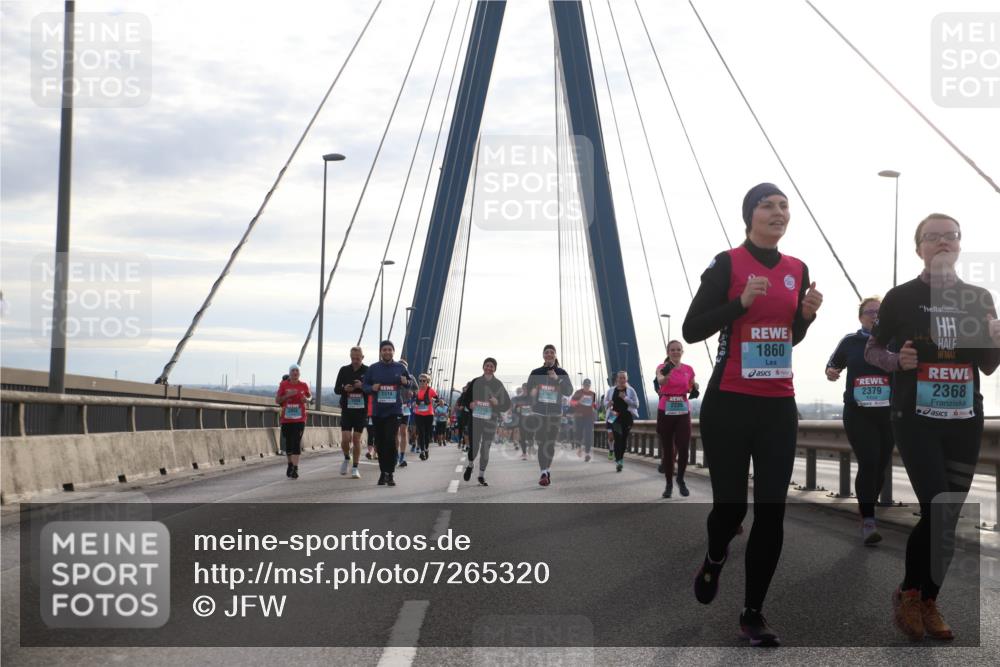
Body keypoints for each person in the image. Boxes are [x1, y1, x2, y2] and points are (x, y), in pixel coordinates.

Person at [683, 183, 823, 646]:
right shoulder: (727, 263)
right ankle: (715, 555)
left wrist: (805, 317)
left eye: (784, 206)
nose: (779, 212)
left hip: (778, 405)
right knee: (731, 508)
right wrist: (738, 304)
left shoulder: (797, 269)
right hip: (729, 402)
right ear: (750, 216)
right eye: (768, 205)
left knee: (771, 512)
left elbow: (788, 337)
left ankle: (753, 613)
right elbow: (692, 328)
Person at [864, 213, 1000, 642]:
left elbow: (988, 365)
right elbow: (872, 349)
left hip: (964, 420)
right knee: (938, 507)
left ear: (959, 244)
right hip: (915, 419)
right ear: (918, 246)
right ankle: (909, 593)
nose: (943, 242)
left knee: (950, 515)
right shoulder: (901, 297)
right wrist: (895, 361)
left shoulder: (979, 297)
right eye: (933, 236)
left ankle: (928, 599)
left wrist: (996, 339)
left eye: (951, 236)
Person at [825, 298, 894, 543]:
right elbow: (832, 365)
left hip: (887, 414)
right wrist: (831, 372)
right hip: (858, 413)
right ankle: (868, 521)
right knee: (869, 461)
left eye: (879, 311)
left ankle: (866, 507)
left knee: (880, 466)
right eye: (870, 311)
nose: (874, 315)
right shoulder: (850, 341)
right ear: (861, 316)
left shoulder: (893, 341)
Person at [361, 340, 410, 487]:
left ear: (393, 352)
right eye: (384, 350)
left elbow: (410, 383)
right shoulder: (373, 368)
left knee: (390, 440)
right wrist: (372, 388)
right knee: (380, 443)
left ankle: (390, 473)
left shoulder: (400, 367)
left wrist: (405, 382)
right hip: (378, 412)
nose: (387, 352)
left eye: (389, 349)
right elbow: (364, 386)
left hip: (394, 411)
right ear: (381, 352)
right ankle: (383, 472)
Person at [458, 358, 512, 486]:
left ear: (495, 369)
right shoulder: (476, 381)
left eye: (491, 366)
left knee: (485, 448)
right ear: (483, 367)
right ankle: (470, 464)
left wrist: (497, 403)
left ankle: (481, 475)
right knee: (474, 446)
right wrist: (470, 404)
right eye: (487, 365)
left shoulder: (498, 384)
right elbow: (465, 399)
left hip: (490, 420)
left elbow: (507, 404)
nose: (489, 368)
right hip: (475, 419)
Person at [526, 344, 573, 486]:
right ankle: (543, 472)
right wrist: (532, 392)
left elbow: (569, 391)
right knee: (542, 442)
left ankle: (547, 470)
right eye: (546, 352)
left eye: (552, 352)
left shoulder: (561, 372)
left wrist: (557, 378)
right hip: (539, 412)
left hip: (554, 413)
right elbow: (528, 391)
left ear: (555, 355)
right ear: (543, 355)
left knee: (550, 443)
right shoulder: (536, 372)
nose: (549, 354)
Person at [655, 341, 698, 498]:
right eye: (672, 350)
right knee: (668, 450)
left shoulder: (688, 369)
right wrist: (666, 376)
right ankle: (669, 484)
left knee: (683, 447)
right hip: (665, 409)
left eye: (678, 349)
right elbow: (661, 380)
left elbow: (691, 386)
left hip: (682, 410)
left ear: (682, 351)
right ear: (668, 352)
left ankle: (680, 479)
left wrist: (695, 387)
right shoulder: (662, 366)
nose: (675, 352)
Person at [333, 346, 368, 479]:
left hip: (361, 411)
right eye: (353, 358)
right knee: (345, 439)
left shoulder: (368, 370)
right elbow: (336, 389)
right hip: (347, 410)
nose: (355, 361)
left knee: (356, 439)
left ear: (362, 357)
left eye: (357, 358)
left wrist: (362, 386)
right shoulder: (344, 370)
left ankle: (355, 468)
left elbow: (372, 389)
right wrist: (344, 389)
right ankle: (347, 457)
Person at [275, 364, 312, 480]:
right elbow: (277, 400)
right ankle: (290, 464)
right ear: (290, 373)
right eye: (293, 371)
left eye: (297, 371)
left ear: (299, 373)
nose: (295, 372)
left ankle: (295, 468)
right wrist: (287, 395)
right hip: (287, 419)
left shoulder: (304, 385)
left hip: (300, 419)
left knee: (296, 441)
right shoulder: (283, 385)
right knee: (289, 443)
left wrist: (307, 400)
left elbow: (310, 397)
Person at [603, 371, 639, 472]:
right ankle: (619, 461)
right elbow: (605, 402)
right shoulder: (611, 390)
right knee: (617, 438)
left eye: (624, 378)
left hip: (627, 417)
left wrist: (625, 398)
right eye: (620, 378)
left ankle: (620, 458)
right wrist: (608, 403)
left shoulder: (631, 390)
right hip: (614, 417)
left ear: (626, 379)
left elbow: (636, 404)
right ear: (617, 379)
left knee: (623, 440)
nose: (622, 380)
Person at [569, 379, 598, 461]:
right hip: (579, 416)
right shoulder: (578, 392)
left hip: (589, 417)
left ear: (590, 385)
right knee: (579, 434)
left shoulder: (593, 394)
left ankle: (587, 453)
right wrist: (579, 401)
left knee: (588, 434)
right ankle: (579, 448)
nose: (587, 387)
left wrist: (594, 406)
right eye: (585, 385)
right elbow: (571, 403)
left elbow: (594, 405)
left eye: (588, 385)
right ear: (583, 385)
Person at [412, 374, 437, 460]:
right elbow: (413, 401)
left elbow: (437, 398)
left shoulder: (430, 390)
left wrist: (433, 400)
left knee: (427, 433)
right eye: (420, 381)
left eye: (424, 381)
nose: (422, 382)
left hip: (429, 415)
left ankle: (426, 449)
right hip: (419, 414)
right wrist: (414, 403)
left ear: (427, 382)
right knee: (421, 433)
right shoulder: (417, 391)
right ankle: (422, 451)